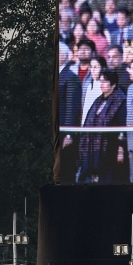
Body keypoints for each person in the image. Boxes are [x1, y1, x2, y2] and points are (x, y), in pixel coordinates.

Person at [79, 68, 127, 183]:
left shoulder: (120, 101)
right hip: (93, 145)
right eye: (100, 81)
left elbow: (122, 126)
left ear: (113, 84)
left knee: (108, 178)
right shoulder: (98, 100)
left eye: (105, 81)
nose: (102, 84)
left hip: (111, 146)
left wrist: (121, 148)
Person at [59, 43, 82, 184]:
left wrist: (69, 134)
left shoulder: (71, 77)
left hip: (65, 132)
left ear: (64, 55)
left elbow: (71, 108)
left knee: (66, 170)